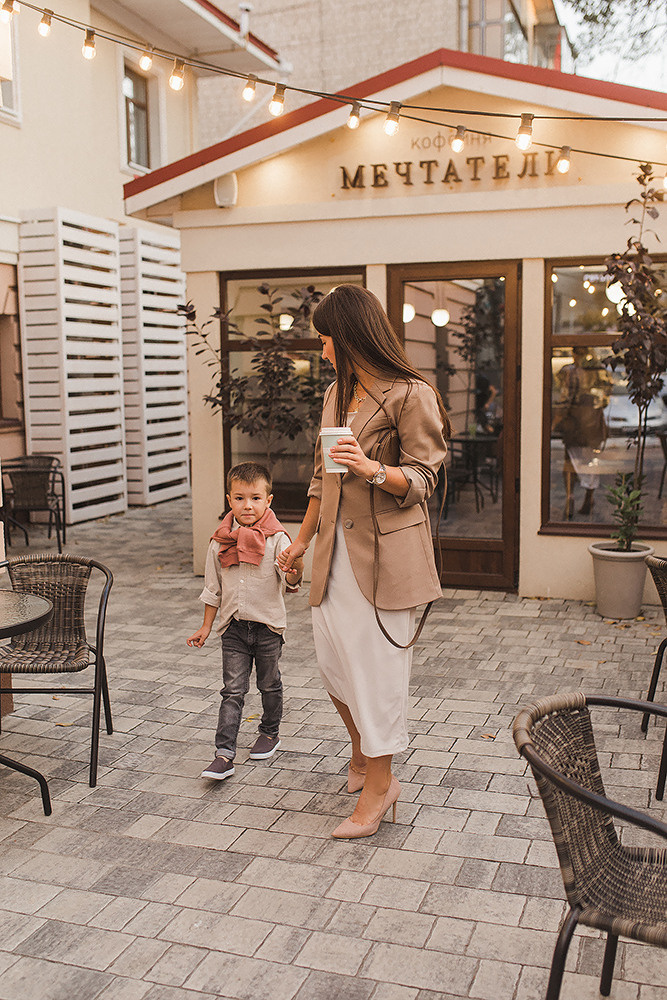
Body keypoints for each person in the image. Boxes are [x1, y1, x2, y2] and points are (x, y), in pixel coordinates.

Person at [278, 284, 450, 839]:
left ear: (349, 336)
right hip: (332, 555)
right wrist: (300, 542)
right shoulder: (336, 395)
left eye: (326, 339)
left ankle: (382, 785)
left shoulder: (412, 394)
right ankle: (360, 753)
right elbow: (319, 480)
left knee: (375, 675)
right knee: (333, 666)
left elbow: (424, 479)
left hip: (383, 557)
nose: (323, 351)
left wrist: (373, 469)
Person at [187, 462, 303, 780]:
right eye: (240, 498)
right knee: (232, 691)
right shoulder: (218, 542)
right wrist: (206, 626)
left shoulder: (279, 539)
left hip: (267, 627)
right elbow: (213, 590)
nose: (247, 505)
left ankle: (269, 732)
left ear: (269, 500)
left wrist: (295, 565)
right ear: (229, 500)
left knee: (269, 684)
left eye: (255, 498)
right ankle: (224, 754)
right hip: (234, 629)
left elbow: (292, 579)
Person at [554, 347, 612, 519]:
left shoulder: (571, 372)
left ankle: (569, 495)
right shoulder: (601, 371)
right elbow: (606, 398)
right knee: (592, 461)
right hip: (594, 423)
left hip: (575, 423)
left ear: (575, 354)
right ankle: (589, 497)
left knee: (569, 460)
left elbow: (566, 399)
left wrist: (557, 419)